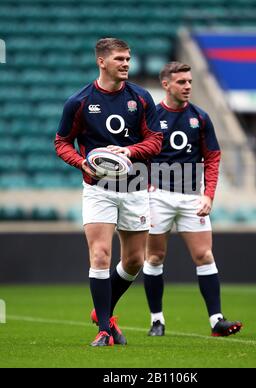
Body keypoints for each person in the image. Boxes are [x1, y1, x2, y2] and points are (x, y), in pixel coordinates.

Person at [55, 38, 163, 347]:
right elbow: (62, 142)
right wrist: (81, 164)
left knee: (134, 262)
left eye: (128, 58)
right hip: (98, 189)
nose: (126, 63)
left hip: (135, 187)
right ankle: (104, 329)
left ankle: (103, 313)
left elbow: (156, 141)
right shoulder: (79, 101)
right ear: (102, 62)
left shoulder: (141, 98)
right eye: (119, 59)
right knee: (100, 254)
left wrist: (128, 151)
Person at [143, 62, 242, 337]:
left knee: (204, 255)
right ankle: (156, 320)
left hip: (191, 197)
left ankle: (216, 321)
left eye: (189, 81)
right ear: (166, 85)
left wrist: (208, 195)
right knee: (154, 257)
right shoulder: (151, 117)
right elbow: (141, 152)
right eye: (181, 82)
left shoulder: (201, 117)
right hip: (157, 196)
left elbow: (212, 157)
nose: (187, 86)